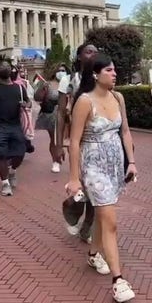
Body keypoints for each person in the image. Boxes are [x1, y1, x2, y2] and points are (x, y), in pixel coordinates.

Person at [66, 53, 138, 303]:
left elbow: (125, 131)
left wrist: (132, 162)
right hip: (93, 167)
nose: (114, 73)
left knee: (100, 214)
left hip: (115, 166)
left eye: (114, 69)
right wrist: (74, 178)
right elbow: (73, 142)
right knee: (110, 221)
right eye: (109, 70)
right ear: (95, 74)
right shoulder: (85, 102)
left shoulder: (118, 97)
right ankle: (118, 281)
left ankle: (94, 253)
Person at [58, 44, 99, 242]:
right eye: (88, 51)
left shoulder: (101, 79)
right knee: (85, 187)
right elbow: (60, 113)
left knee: (95, 189)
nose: (93, 55)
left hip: (97, 141)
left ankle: (88, 227)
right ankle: (72, 206)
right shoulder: (69, 80)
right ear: (79, 56)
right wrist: (58, 145)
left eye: (95, 52)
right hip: (78, 141)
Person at [0, 57, 30, 196]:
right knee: (2, 156)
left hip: (15, 125)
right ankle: (5, 184)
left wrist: (26, 105)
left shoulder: (19, 88)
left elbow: (29, 102)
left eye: (7, 66)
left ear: (11, 69)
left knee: (20, 153)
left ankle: (12, 170)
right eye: (2, 66)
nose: (5, 68)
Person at [35, 64, 68, 173]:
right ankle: (56, 161)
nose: (61, 72)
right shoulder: (48, 84)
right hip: (51, 115)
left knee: (67, 139)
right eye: (59, 70)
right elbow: (37, 98)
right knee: (54, 139)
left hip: (67, 114)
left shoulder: (69, 83)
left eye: (63, 70)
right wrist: (42, 89)